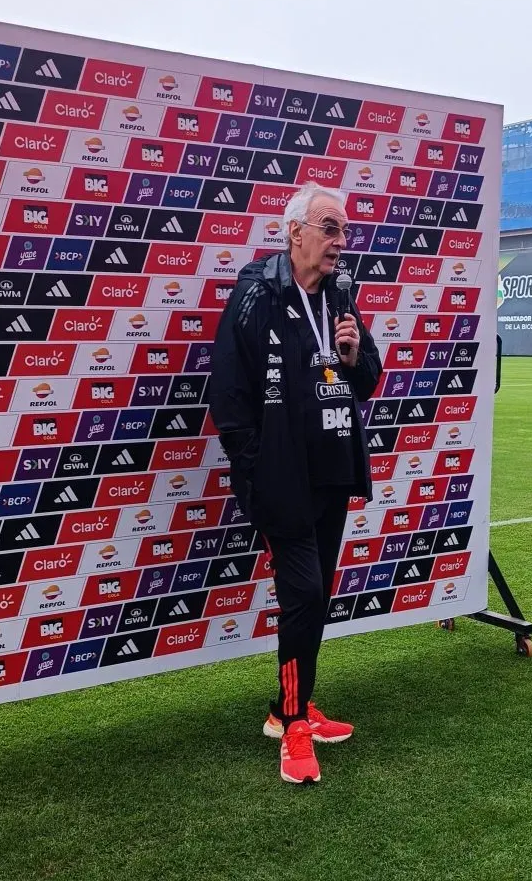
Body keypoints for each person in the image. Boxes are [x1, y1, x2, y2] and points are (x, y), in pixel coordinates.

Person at [208, 181, 382, 784]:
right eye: (330, 228)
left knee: (318, 597)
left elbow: (367, 382)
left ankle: (295, 704)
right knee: (303, 594)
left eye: (345, 230)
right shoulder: (258, 292)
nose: (340, 241)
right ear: (296, 232)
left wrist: (355, 354)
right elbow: (227, 392)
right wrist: (255, 465)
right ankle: (292, 721)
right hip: (281, 480)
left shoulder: (341, 296)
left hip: (333, 472)